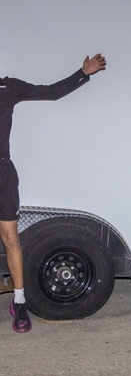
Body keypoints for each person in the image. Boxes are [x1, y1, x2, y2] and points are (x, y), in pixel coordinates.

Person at [1, 54, 108, 333]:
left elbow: (50, 93)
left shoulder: (8, 87)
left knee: (11, 238)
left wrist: (82, 73)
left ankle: (20, 302)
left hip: (1, 172)